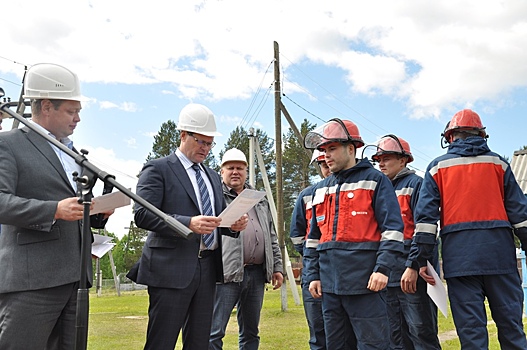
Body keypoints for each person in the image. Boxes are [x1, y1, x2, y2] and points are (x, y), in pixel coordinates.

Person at [0, 63, 113, 349]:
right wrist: (54, 210)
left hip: (76, 277)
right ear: (47, 106)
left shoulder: (73, 152)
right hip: (32, 281)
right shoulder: (9, 144)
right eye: (71, 111)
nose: (77, 119)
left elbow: (73, 208)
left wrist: (96, 213)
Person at [127, 103, 248, 350]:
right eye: (201, 142)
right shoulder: (158, 168)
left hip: (207, 269)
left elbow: (214, 222)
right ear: (183, 135)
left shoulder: (213, 176)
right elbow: (142, 214)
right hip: (170, 270)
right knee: (162, 341)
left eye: (210, 143)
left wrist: (232, 225)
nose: (206, 148)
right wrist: (187, 224)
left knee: (199, 342)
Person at [403, 109, 527, 349]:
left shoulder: (437, 168)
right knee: (512, 330)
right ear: (482, 134)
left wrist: (419, 261)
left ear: (449, 137)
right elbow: (521, 216)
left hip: (460, 262)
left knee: (472, 336)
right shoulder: (499, 164)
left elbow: (426, 224)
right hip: (500, 258)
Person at [303, 118, 405, 349]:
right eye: (324, 150)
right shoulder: (320, 189)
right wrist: (313, 275)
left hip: (367, 285)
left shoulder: (375, 180)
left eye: (332, 149)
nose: (326, 156)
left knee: (374, 345)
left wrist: (382, 269)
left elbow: (392, 230)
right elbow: (313, 238)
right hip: (329, 287)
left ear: (351, 149)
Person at [209, 148, 284, 350]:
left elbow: (270, 236)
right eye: (230, 168)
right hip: (226, 274)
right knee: (214, 332)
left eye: (240, 168)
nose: (235, 172)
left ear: (246, 171)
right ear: (222, 171)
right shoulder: (215, 198)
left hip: (256, 274)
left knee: (251, 332)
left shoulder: (258, 199)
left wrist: (277, 267)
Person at [371, 135, 440, 350]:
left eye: (387, 158)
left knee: (421, 332)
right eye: (378, 159)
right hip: (388, 276)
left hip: (412, 274)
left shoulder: (416, 185)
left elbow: (425, 230)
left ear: (403, 160)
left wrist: (413, 265)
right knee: (395, 336)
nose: (381, 163)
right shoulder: (378, 189)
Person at [290, 150, 331, 350]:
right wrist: (312, 256)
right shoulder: (307, 196)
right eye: (323, 165)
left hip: (345, 273)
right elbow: (297, 235)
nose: (328, 168)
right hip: (313, 272)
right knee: (318, 332)